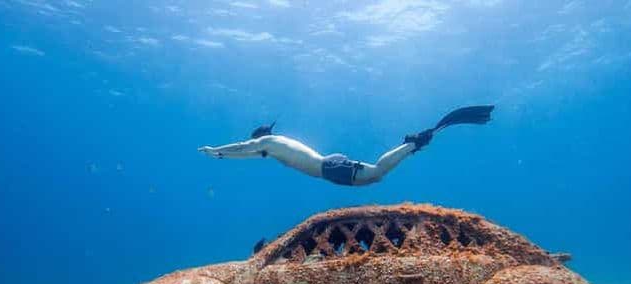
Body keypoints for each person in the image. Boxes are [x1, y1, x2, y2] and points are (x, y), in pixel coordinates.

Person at [198, 105, 494, 186]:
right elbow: (246, 155)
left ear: (258, 137)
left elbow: (243, 147)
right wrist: (224, 157)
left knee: (377, 173)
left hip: (328, 167)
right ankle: (412, 146)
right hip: (329, 168)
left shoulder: (267, 141)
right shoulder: (272, 146)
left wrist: (217, 151)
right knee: (375, 177)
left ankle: (412, 144)